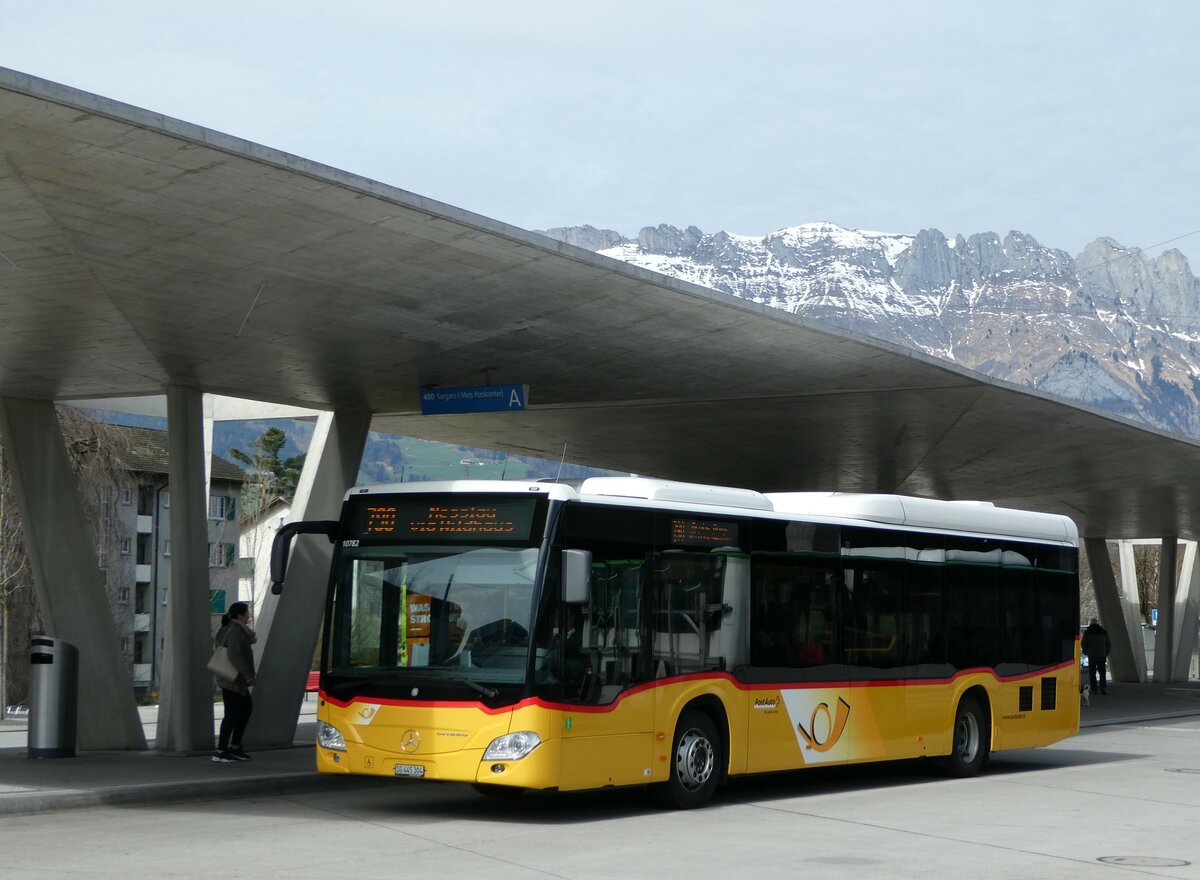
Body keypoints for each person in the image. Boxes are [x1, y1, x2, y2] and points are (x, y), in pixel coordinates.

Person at [212, 602, 257, 763]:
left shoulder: (226, 629)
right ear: (239, 615)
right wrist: (248, 676)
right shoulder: (236, 631)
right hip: (233, 679)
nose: (248, 615)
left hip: (231, 678)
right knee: (232, 714)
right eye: (246, 613)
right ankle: (221, 750)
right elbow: (236, 655)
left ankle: (235, 747)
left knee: (243, 710)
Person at [1081, 617, 1111, 695]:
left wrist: (1086, 652)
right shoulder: (1104, 632)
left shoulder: (1087, 632)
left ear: (1090, 624)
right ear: (1098, 624)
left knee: (1092, 673)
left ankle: (1094, 689)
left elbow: (1083, 643)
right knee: (1102, 672)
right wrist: (1106, 653)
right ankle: (1103, 687)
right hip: (1102, 655)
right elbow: (1108, 644)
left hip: (1092, 655)